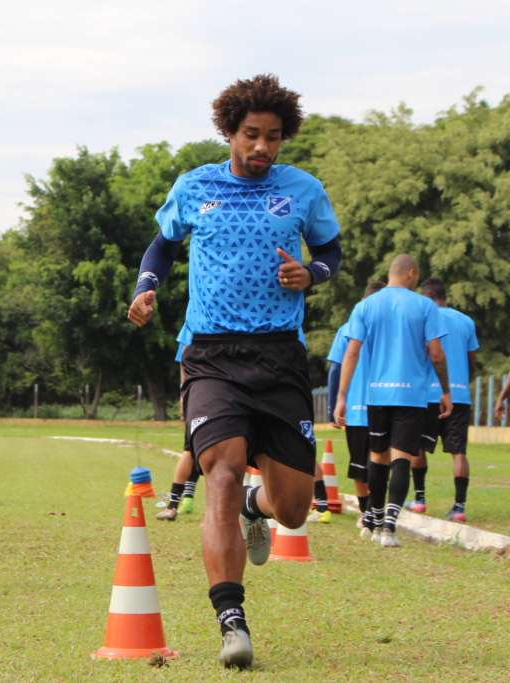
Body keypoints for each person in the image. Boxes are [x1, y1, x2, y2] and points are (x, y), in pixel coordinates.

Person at [128, 74, 342, 669]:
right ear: (229, 131)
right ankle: (231, 619)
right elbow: (162, 246)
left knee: (295, 508)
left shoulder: (302, 190)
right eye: (252, 135)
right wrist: (148, 288)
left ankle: (258, 504)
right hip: (210, 353)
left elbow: (329, 252)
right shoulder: (196, 186)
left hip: (279, 357)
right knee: (218, 468)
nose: (263, 148)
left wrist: (312, 275)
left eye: (274, 137)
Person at [334, 255, 451, 548]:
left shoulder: (365, 306)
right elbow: (436, 353)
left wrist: (342, 396)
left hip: (377, 395)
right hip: (411, 396)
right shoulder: (424, 305)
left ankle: (372, 519)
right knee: (402, 458)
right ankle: (389, 527)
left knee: (377, 457)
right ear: (411, 273)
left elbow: (351, 353)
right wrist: (445, 390)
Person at [410, 277, 477, 521]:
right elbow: (472, 360)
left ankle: (419, 500)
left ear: (427, 296)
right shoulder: (466, 321)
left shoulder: (425, 319)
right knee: (458, 452)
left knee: (417, 447)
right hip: (459, 395)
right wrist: (463, 383)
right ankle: (459, 507)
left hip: (428, 394)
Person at [327, 281, 386, 528]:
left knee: (359, 464)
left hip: (356, 410)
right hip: (385, 406)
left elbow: (335, 369)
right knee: (380, 462)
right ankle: (374, 510)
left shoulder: (347, 328)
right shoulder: (389, 331)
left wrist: (334, 405)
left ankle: (366, 512)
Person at [156, 324, 201, 521]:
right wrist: (184, 396)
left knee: (192, 451)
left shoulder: (191, 324)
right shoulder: (191, 326)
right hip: (203, 394)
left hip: (199, 395)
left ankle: (177, 503)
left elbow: (182, 366)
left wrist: (184, 395)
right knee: (192, 450)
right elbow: (184, 364)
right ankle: (177, 502)